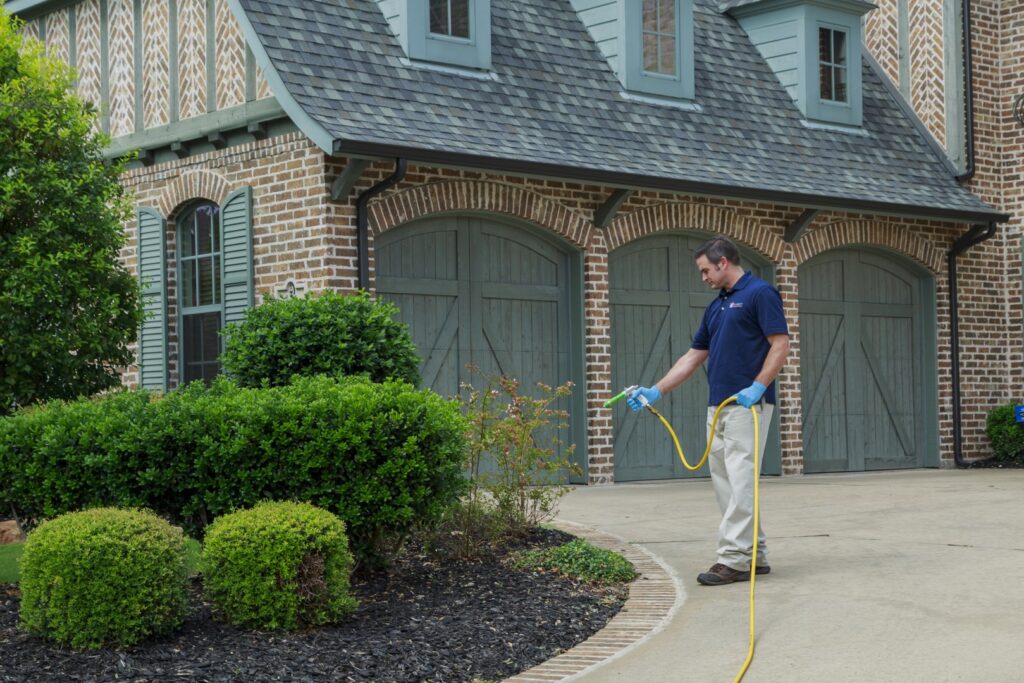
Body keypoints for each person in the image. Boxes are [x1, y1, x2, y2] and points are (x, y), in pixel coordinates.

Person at [626, 235, 790, 586]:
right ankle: (755, 555)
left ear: (723, 263)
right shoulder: (716, 306)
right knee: (727, 484)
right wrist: (656, 390)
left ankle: (732, 558)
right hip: (718, 407)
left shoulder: (761, 294)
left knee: (742, 481)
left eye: (705, 271)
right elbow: (693, 356)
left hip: (748, 406)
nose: (703, 278)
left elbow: (780, 344)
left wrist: (759, 385)